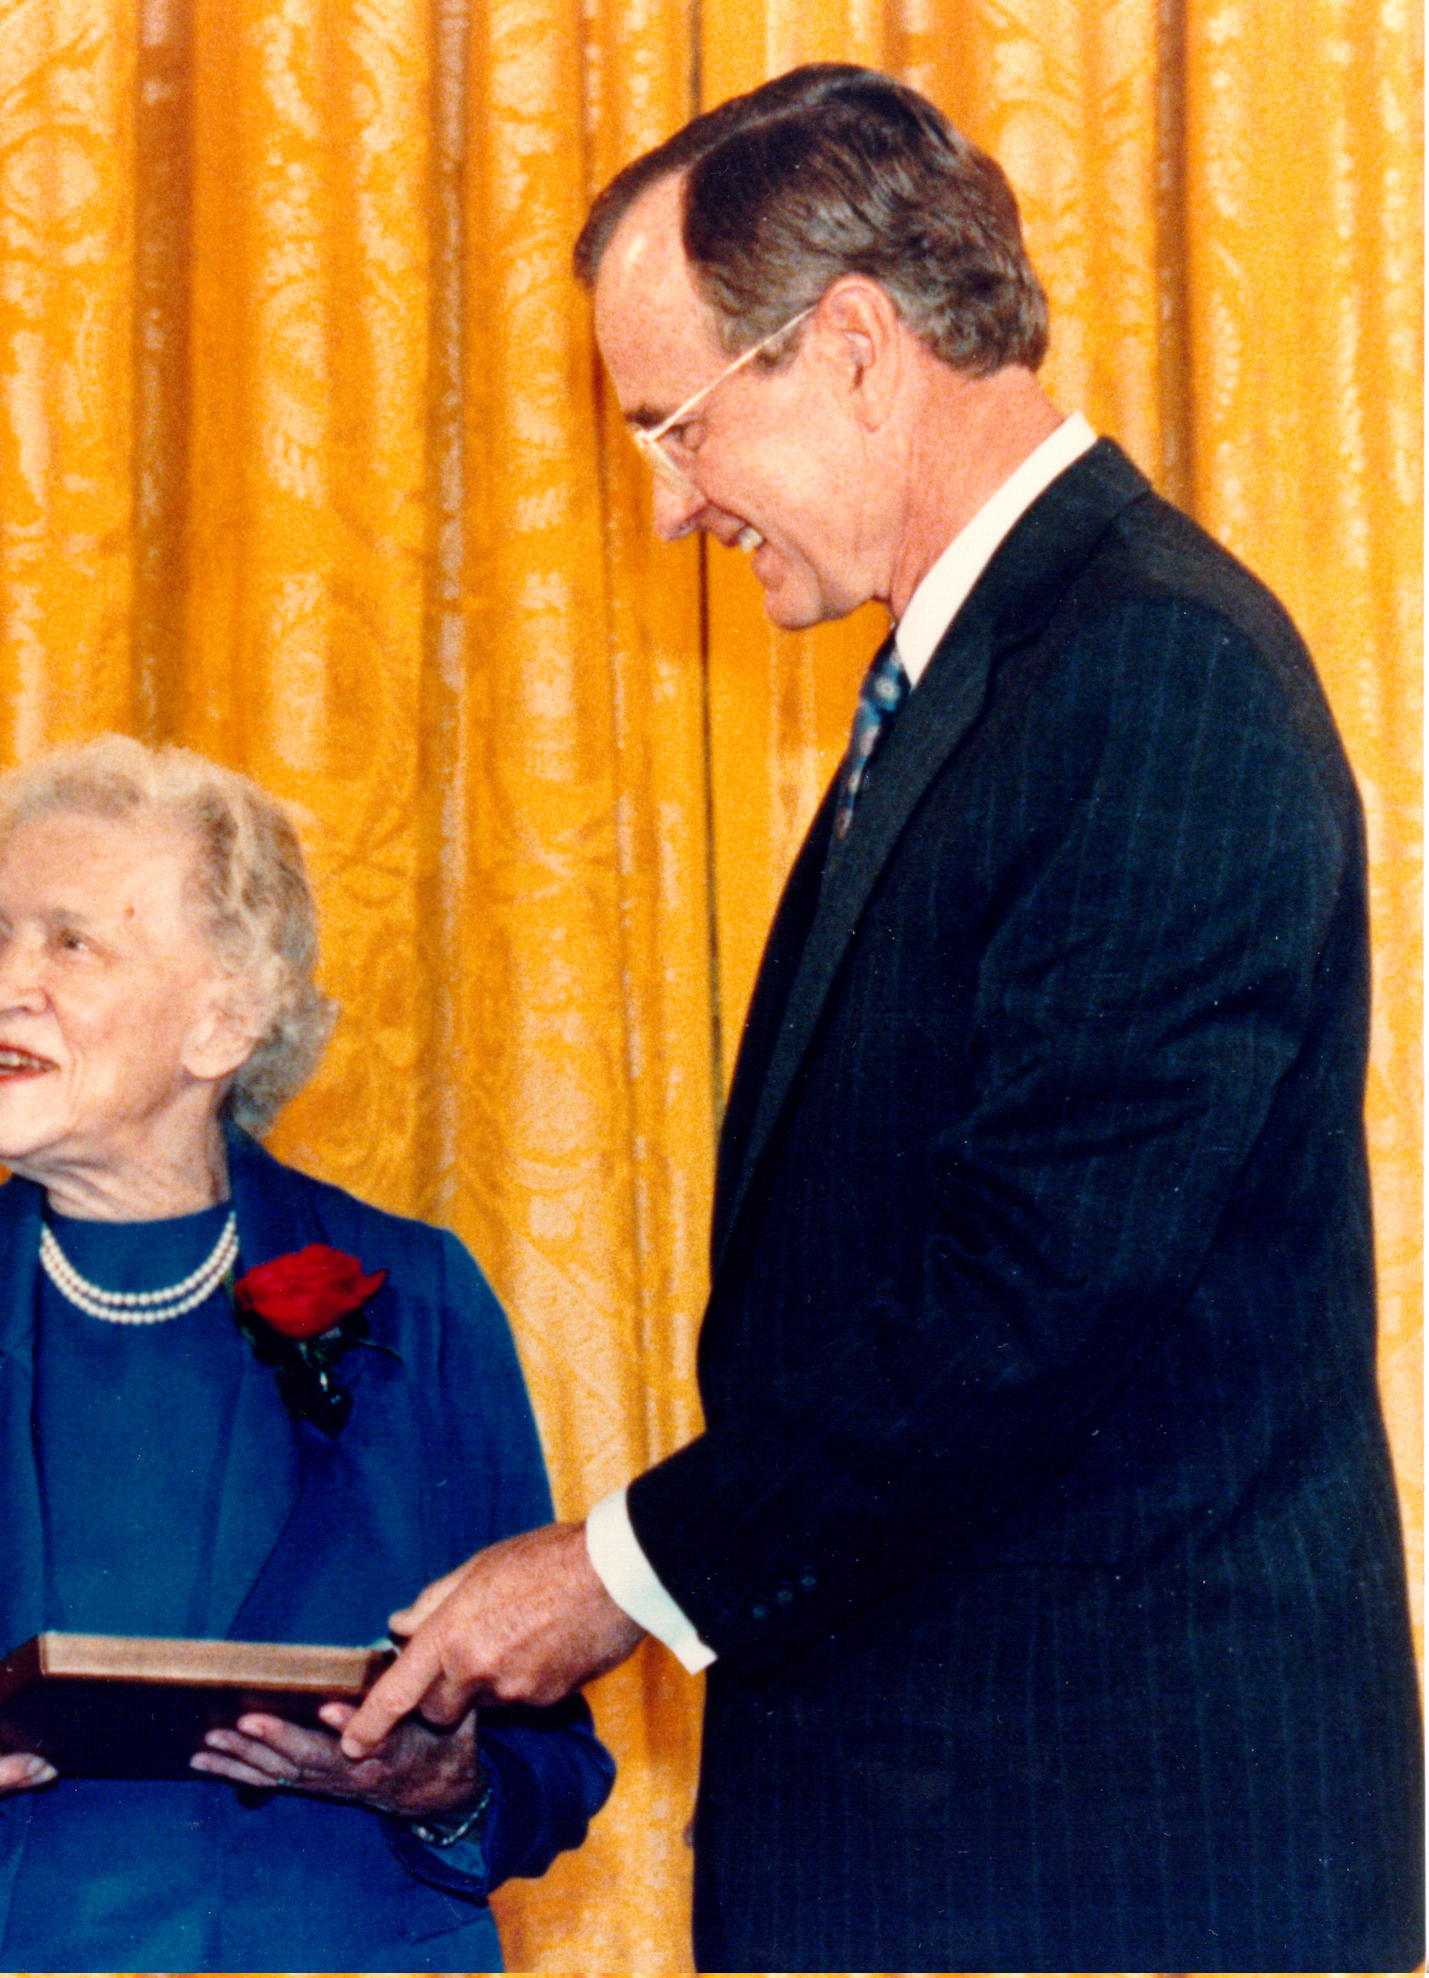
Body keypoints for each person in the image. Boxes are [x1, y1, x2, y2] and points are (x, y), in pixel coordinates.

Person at [342, 63, 1423, 1970]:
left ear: (852, 346)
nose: (671, 505)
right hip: (963, 1831)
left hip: (1099, 1852)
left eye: (675, 426)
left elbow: (1031, 1302)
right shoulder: (999, 677)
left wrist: (614, 1569)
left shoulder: (1150, 674)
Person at [0, 735, 613, 1971]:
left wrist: (437, 1780)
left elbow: (548, 1764)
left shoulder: (414, 1301)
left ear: (222, 1022)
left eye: (71, 942)